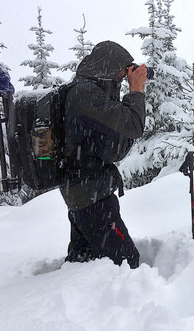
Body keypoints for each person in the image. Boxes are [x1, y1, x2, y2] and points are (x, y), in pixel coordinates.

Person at [60, 40, 147, 269]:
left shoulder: (86, 92)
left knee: (84, 265)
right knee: (128, 264)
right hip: (92, 199)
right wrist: (136, 90)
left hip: (84, 194)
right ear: (107, 68)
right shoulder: (86, 95)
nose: (122, 78)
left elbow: (113, 148)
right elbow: (133, 125)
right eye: (122, 72)